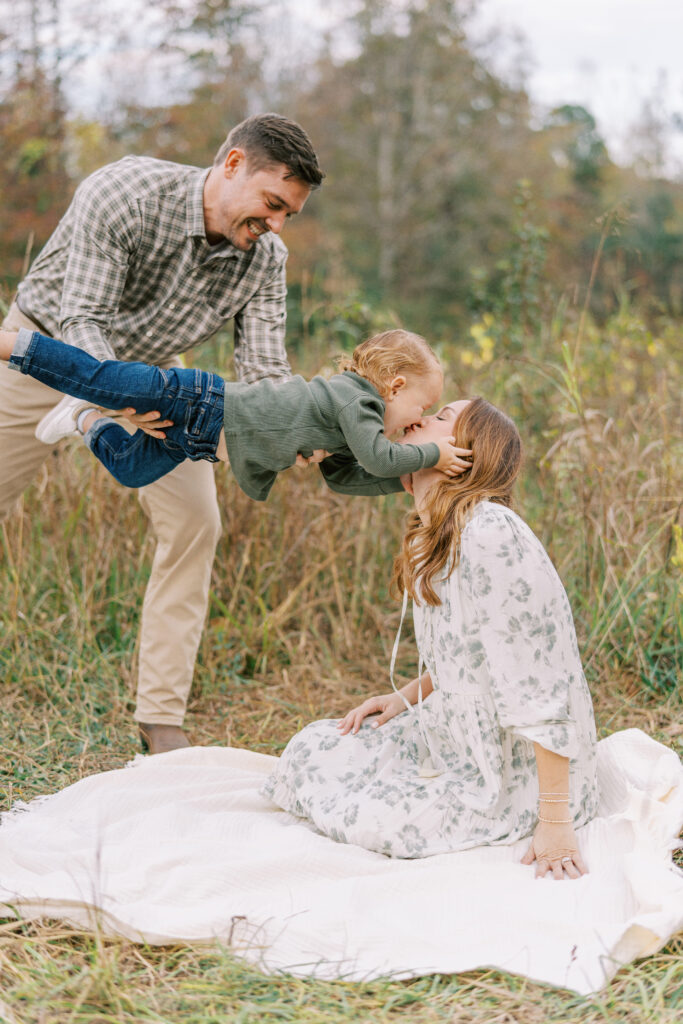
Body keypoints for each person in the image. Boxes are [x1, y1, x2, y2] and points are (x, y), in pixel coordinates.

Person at [0, 113, 324, 754]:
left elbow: (263, 373)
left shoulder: (264, 259)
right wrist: (116, 406)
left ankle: (160, 720)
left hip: (154, 379)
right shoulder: (124, 193)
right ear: (231, 165)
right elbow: (83, 320)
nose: (277, 226)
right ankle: (87, 416)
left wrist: (304, 423)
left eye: (289, 214)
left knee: (197, 522)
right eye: (272, 204)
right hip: (43, 350)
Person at [262, 397, 599, 878]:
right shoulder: (437, 532)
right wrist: (404, 697)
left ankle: (533, 807)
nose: (419, 419)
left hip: (507, 768)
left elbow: (537, 686)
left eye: (441, 418)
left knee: (378, 822)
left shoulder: (491, 532)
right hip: (452, 731)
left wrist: (555, 821)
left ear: (465, 455)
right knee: (313, 751)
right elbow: (467, 656)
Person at [0, 329, 472, 498]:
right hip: (200, 401)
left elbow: (343, 479)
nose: (417, 420)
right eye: (422, 408)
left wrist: (402, 481)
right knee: (101, 376)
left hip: (198, 440)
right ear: (395, 386)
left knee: (131, 468)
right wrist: (428, 455)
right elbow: (379, 457)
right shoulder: (359, 402)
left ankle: (83, 418)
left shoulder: (355, 430)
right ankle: (12, 344)